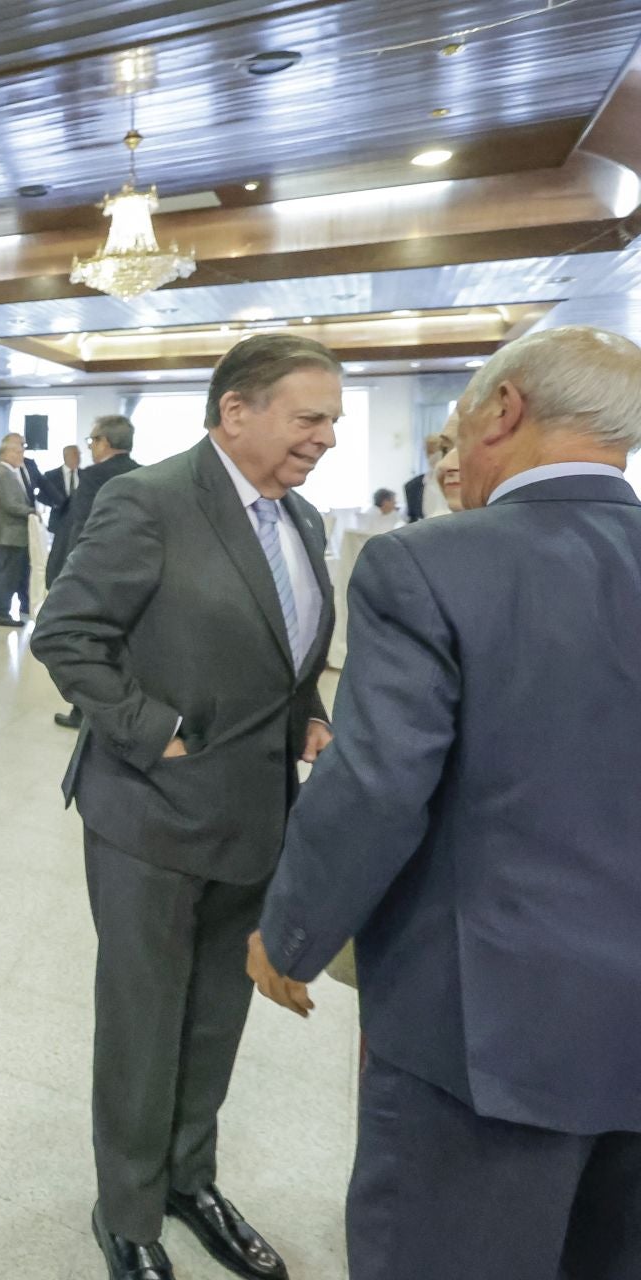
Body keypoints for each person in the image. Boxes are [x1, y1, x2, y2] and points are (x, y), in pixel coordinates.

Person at [248, 326, 641, 1280]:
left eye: (460, 420)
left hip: (488, 1033)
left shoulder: (430, 564)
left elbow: (379, 784)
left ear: (503, 411)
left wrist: (290, 933)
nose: (453, 446)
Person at [32, 334, 341, 1280]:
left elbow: (284, 649)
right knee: (143, 1016)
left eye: (333, 420)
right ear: (235, 411)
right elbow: (68, 632)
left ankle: (187, 1177)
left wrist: (308, 717)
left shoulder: (305, 523)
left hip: (254, 815)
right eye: (310, 417)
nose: (325, 437)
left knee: (215, 1014)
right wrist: (151, 729)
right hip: (149, 814)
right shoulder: (149, 500)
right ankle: (126, 1208)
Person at [49, 416, 139, 730]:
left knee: (86, 645)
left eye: (92, 441)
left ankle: (83, 712)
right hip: (135, 576)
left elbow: (83, 529)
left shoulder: (93, 477)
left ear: (104, 442)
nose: (90, 448)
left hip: (96, 579)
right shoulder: (144, 475)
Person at [0, 431, 34, 625]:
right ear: (8, 453)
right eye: (19, 453)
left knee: (7, 574)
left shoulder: (7, 472)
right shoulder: (2, 473)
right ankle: (0, 612)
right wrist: (32, 512)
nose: (22, 457)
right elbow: (11, 504)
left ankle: (0, 610)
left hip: (9, 535)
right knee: (5, 575)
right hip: (5, 535)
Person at [41, 443, 84, 551]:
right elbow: (41, 496)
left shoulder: (85, 475)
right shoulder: (51, 475)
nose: (78, 457)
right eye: (75, 454)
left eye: (79, 454)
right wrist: (55, 504)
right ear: (66, 456)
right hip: (58, 521)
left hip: (79, 523)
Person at [404, 433, 450, 521]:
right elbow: (412, 519)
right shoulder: (413, 487)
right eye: (429, 452)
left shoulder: (459, 481)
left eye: (439, 451)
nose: (432, 456)